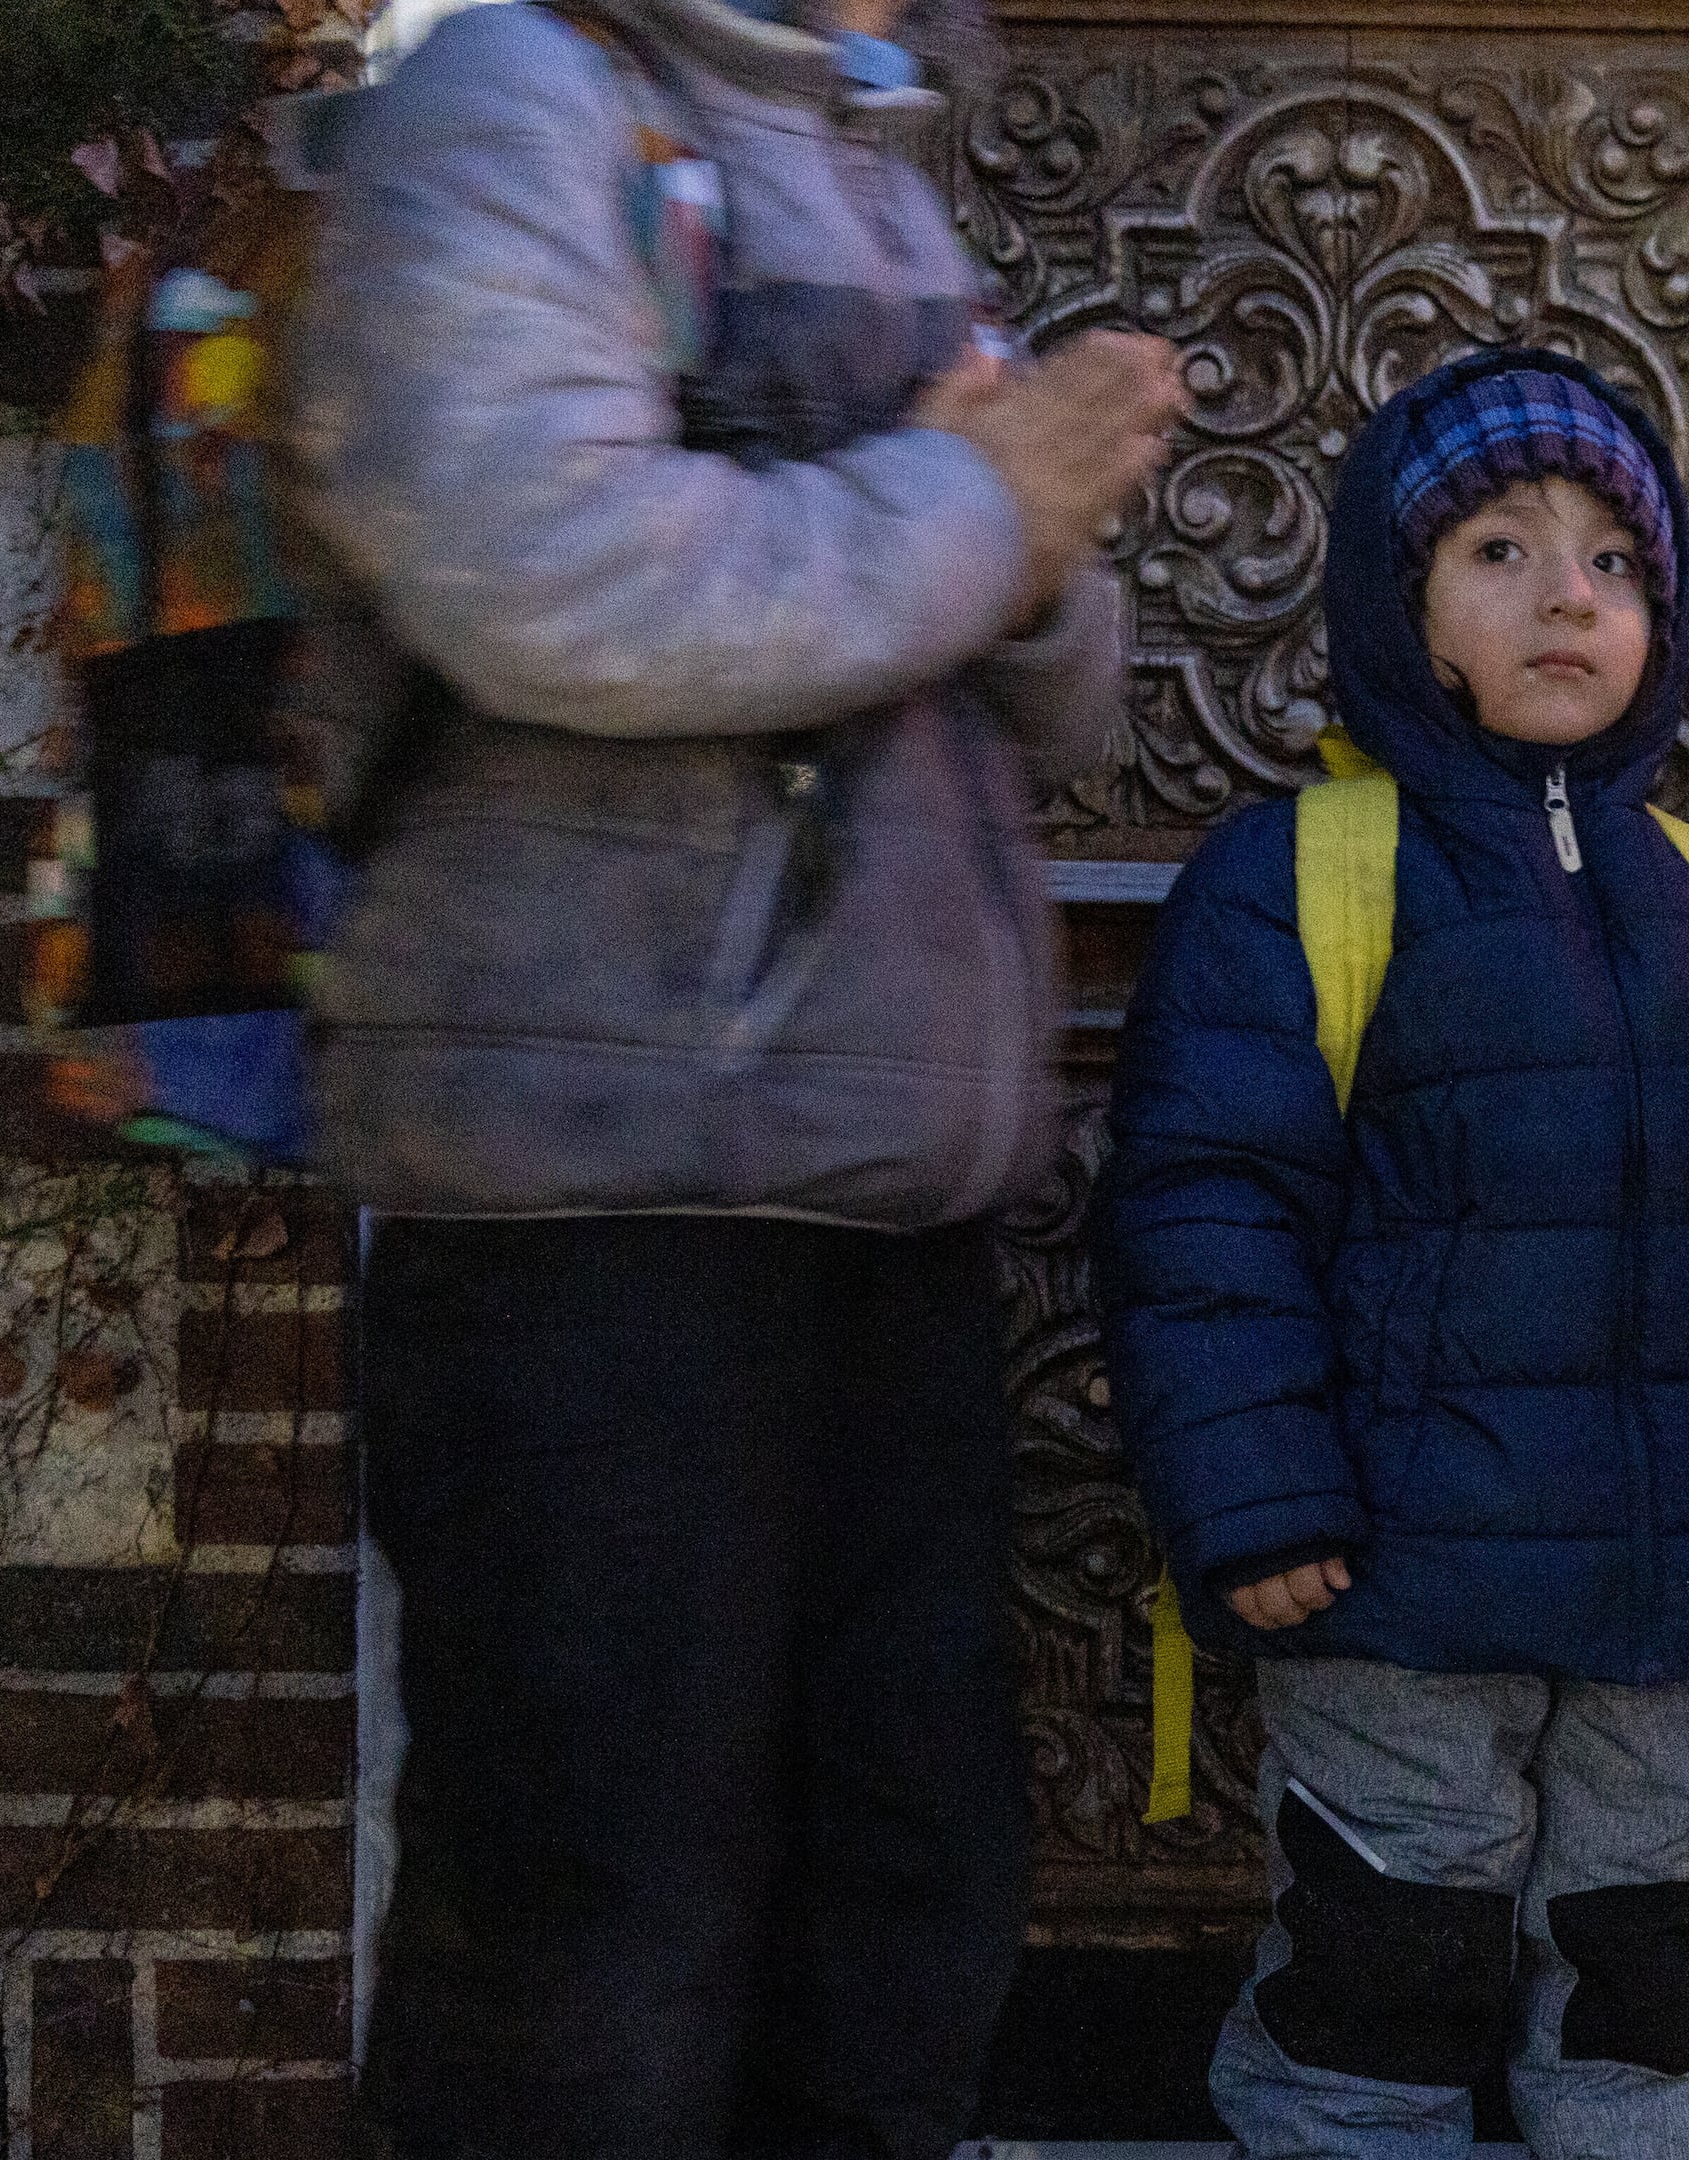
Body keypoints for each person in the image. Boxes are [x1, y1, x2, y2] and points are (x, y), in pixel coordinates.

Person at [290, 0, 1185, 2150]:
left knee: (899, 1923)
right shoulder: (522, 92)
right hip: (604, 1221)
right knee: (596, 1960)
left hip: (879, 1206)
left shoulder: (863, 159)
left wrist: (1035, 535)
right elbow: (547, 570)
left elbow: (1048, 697)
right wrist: (984, 497)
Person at [1096, 350, 1689, 2160]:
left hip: (1685, 1594)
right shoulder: (1303, 878)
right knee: (1382, 1960)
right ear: (1405, 615)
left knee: (1661, 1965)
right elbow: (1208, 1208)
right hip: (1398, 1592)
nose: (1567, 594)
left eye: (1614, 562)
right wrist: (1255, 1498)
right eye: (1500, 552)